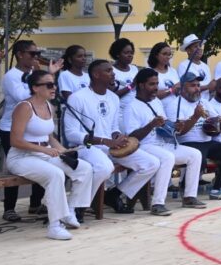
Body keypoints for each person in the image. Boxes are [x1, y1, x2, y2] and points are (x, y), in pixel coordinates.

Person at [64, 60, 162, 215]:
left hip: (110, 146)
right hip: (87, 147)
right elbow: (71, 134)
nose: (113, 73)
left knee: (151, 163)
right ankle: (78, 206)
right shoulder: (77, 98)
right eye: (108, 71)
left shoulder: (114, 98)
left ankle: (114, 195)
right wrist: (104, 141)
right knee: (105, 167)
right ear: (96, 75)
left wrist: (118, 137)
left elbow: (113, 127)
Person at [7, 70, 93, 240]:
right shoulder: (24, 107)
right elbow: (15, 141)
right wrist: (45, 150)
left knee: (84, 168)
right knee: (55, 175)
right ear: (35, 88)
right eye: (49, 84)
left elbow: (49, 137)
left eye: (54, 84)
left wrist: (63, 150)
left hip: (42, 155)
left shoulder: (49, 106)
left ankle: (69, 210)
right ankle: (54, 226)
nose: (54, 88)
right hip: (21, 157)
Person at [121, 68, 207, 211]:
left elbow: (165, 127)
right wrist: (151, 125)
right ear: (141, 85)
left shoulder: (157, 102)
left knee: (195, 154)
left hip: (162, 143)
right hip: (144, 146)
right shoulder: (131, 107)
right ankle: (158, 203)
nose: (156, 88)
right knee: (167, 158)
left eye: (157, 83)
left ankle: (189, 197)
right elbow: (133, 137)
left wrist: (176, 126)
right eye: (152, 84)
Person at [0, 40, 62, 222]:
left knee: (43, 161)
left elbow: (45, 95)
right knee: (16, 169)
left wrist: (46, 78)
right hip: (11, 126)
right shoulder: (12, 76)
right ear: (20, 54)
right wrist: (46, 77)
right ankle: (9, 207)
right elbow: (23, 97)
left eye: (37, 53)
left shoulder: (35, 74)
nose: (36, 57)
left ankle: (35, 203)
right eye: (32, 54)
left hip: (36, 124)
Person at [164, 73, 221, 200]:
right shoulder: (174, 105)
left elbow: (214, 119)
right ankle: (185, 188)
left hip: (207, 140)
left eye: (198, 85)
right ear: (182, 88)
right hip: (188, 142)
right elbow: (178, 132)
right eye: (193, 86)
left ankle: (216, 189)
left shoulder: (203, 101)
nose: (197, 88)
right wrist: (195, 117)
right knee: (200, 157)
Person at [177, 34, 215, 100]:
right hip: (193, 102)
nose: (199, 49)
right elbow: (186, 87)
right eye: (195, 46)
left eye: (200, 46)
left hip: (206, 102)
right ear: (188, 51)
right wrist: (208, 86)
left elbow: (209, 86)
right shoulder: (183, 66)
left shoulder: (205, 66)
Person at [148, 42, 180, 108]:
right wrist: (171, 90)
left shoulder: (173, 71)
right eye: (164, 54)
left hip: (174, 110)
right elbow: (150, 95)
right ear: (156, 55)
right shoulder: (149, 72)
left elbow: (178, 91)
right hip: (158, 111)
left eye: (169, 55)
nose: (168, 57)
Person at [109, 37, 139, 110]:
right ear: (117, 54)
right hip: (120, 113)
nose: (130, 55)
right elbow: (112, 96)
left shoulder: (134, 69)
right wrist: (131, 86)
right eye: (126, 53)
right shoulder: (111, 71)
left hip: (135, 110)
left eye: (131, 53)